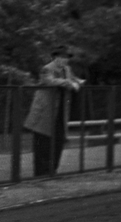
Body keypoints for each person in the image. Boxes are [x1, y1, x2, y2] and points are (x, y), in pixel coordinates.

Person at [23, 46, 84, 176]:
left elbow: (74, 79)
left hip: (60, 114)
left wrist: (78, 82)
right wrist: (69, 83)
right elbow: (50, 81)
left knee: (58, 143)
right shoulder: (47, 69)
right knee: (42, 144)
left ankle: (52, 171)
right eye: (62, 57)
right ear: (55, 58)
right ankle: (40, 173)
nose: (65, 60)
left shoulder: (67, 69)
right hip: (44, 114)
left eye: (67, 58)